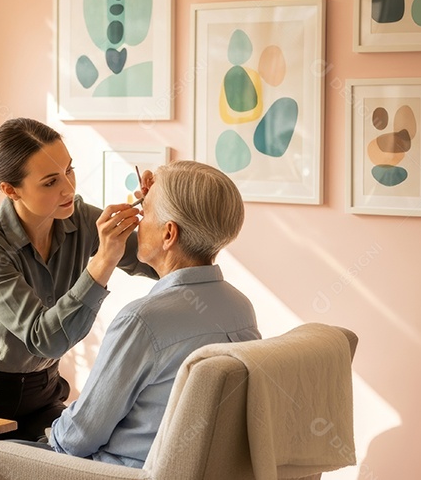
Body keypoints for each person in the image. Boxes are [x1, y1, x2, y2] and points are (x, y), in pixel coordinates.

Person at [0, 117, 157, 479]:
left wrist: (161, 210)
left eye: (69, 171)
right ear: (11, 190)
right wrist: (103, 261)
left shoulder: (82, 219)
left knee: (76, 469)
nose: (69, 188)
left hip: (41, 394)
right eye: (51, 182)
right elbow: (44, 337)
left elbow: (161, 263)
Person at [45, 160, 260, 467]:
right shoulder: (240, 307)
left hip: (119, 472)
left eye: (144, 213)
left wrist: (48, 433)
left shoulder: (142, 321)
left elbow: (76, 439)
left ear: (169, 234)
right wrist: (160, 195)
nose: (137, 222)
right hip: (195, 469)